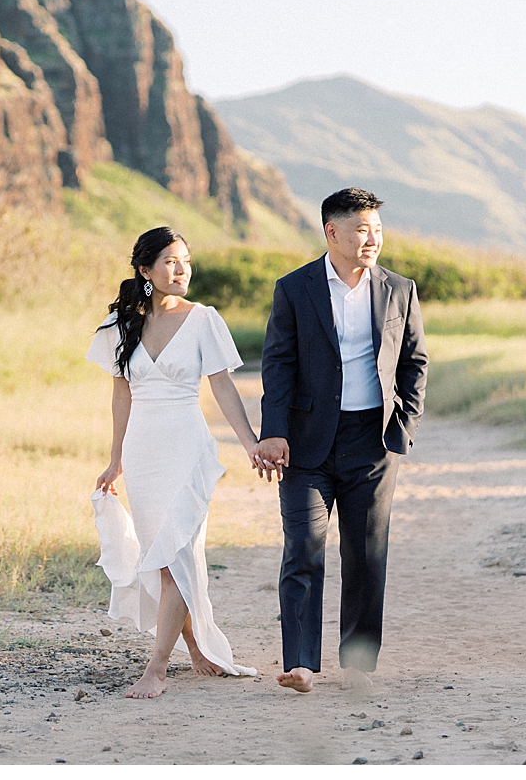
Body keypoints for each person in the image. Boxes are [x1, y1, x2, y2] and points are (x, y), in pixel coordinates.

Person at [256, 187, 428, 693]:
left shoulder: (400, 289)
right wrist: (274, 431)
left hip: (373, 441)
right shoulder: (294, 288)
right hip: (306, 444)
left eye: (376, 229)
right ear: (332, 231)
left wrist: (405, 427)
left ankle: (357, 665)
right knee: (303, 548)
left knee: (366, 553)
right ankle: (301, 664)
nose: (371, 238)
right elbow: (278, 363)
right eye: (360, 229)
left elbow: (414, 362)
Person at [88, 226, 263, 698]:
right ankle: (196, 647)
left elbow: (223, 386)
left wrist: (249, 442)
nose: (180, 269)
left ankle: (158, 668)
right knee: (162, 560)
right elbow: (121, 394)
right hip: (144, 453)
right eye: (169, 261)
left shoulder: (204, 319)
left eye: (185, 259)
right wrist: (115, 459)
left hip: (187, 447)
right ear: (145, 271)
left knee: (179, 552)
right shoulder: (119, 327)